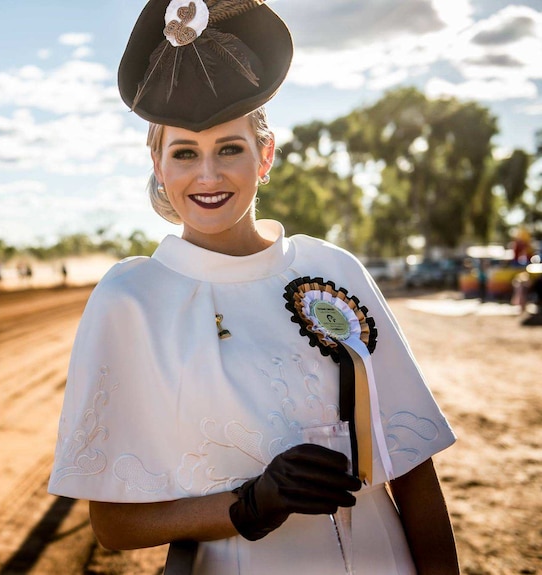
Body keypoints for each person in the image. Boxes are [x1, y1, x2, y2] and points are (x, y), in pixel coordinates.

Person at [49, 1, 459, 573]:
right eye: (185, 153)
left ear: (264, 156)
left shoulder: (335, 270)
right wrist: (247, 506)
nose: (208, 176)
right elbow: (114, 524)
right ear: (158, 163)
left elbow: (414, 473)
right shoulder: (131, 300)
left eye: (230, 149)